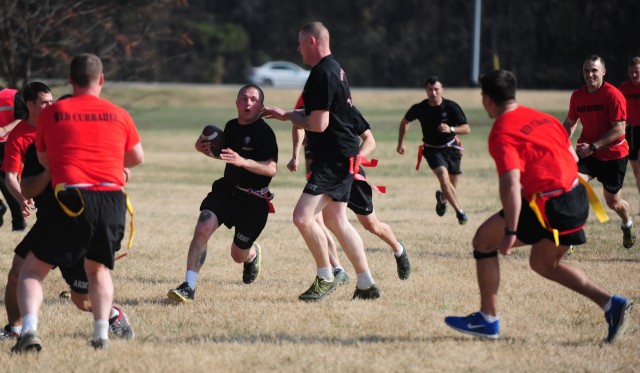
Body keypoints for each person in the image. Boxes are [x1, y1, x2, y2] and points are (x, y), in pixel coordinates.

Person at [444, 69, 633, 344]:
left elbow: (510, 185)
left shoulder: (502, 131)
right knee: (544, 263)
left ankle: (487, 320)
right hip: (576, 196)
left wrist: (510, 231)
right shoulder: (540, 116)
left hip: (551, 204)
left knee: (484, 241)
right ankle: (611, 304)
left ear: (487, 100)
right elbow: (569, 154)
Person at [12, 53, 144, 352]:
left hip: (72, 199)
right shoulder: (118, 113)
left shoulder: (52, 113)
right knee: (98, 270)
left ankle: (29, 331)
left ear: (70, 80)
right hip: (112, 200)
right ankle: (100, 336)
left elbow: (45, 158)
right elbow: (136, 157)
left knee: (31, 270)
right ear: (101, 80)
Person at [263, 21, 381, 301]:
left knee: (302, 217)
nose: (297, 49)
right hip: (344, 156)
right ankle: (366, 284)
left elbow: (317, 124)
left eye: (300, 43)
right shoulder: (336, 68)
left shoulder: (322, 73)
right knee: (337, 220)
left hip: (334, 159)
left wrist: (286, 115)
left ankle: (325, 276)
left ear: (313, 42)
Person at [167, 84, 277, 304]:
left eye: (254, 100)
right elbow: (226, 157)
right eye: (243, 98)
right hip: (227, 191)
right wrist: (204, 149)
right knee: (203, 227)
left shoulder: (264, 133)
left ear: (261, 106)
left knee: (238, 255)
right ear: (236, 103)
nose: (248, 103)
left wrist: (243, 161)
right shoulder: (231, 127)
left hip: (254, 201)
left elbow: (271, 168)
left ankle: (252, 254)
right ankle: (188, 286)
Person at [289, 105, 411, 281]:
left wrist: (355, 160)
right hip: (327, 176)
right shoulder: (310, 108)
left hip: (352, 176)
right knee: (321, 220)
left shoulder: (347, 111)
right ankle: (338, 270)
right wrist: (295, 155)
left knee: (371, 224)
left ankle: (398, 249)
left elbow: (370, 140)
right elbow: (297, 124)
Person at [562, 55, 635, 249]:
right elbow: (570, 123)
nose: (589, 74)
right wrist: (559, 142)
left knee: (613, 202)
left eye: (594, 70)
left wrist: (593, 145)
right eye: (586, 70)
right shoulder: (577, 96)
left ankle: (627, 223)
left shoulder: (613, 95)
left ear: (603, 72)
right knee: (569, 184)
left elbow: (619, 129)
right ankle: (569, 236)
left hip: (613, 155)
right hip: (589, 153)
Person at [397, 76, 471, 225]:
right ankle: (460, 212)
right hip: (432, 150)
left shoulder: (451, 107)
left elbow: (466, 128)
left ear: (442, 89)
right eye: (430, 89)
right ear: (426, 90)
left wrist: (450, 128)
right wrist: (401, 143)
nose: (433, 93)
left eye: (436, 89)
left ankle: (442, 199)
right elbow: (405, 121)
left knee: (451, 185)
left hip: (452, 148)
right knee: (443, 178)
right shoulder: (420, 108)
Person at [0, 83, 29, 230]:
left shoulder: (11, 96)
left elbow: (24, 117)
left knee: (7, 184)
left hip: (6, 145)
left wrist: (5, 129)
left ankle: (18, 223)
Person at [618, 57, 640, 214]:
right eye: (631, 72)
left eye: (637, 71)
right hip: (631, 130)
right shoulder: (624, 88)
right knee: (636, 169)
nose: (634, 74)